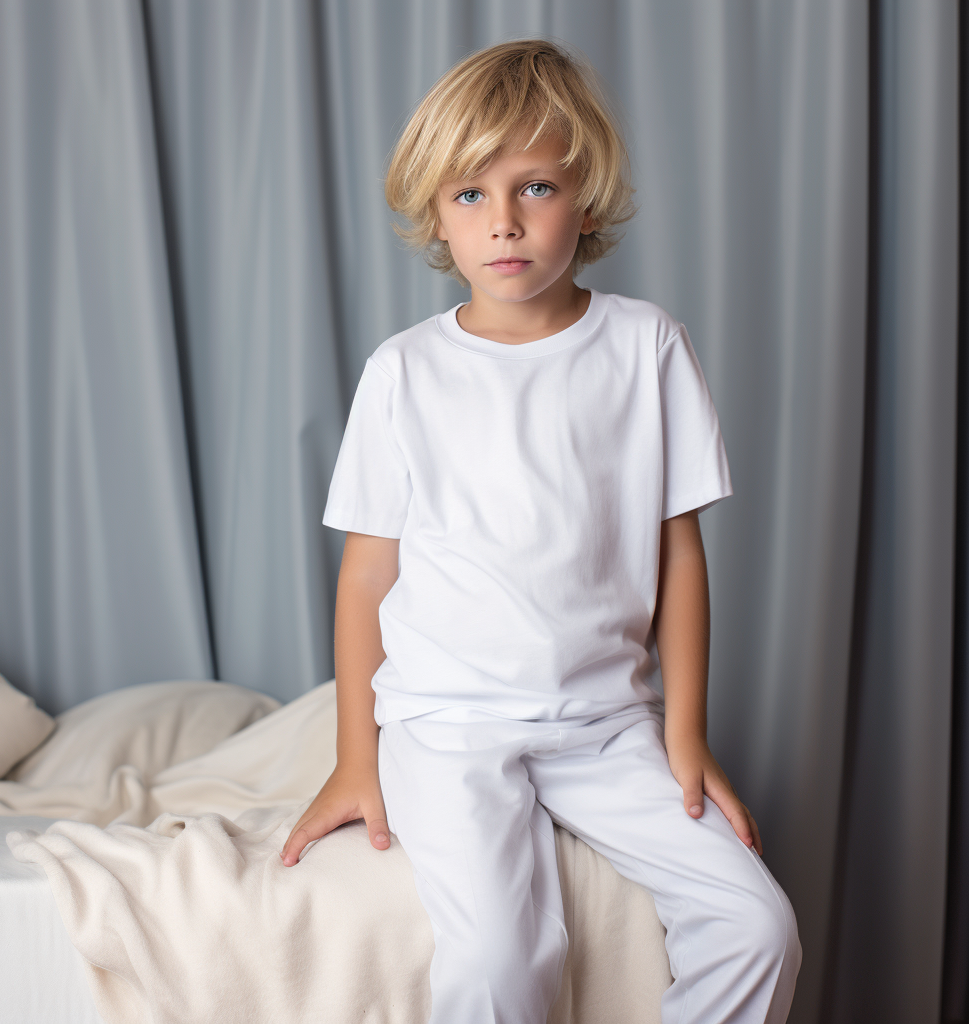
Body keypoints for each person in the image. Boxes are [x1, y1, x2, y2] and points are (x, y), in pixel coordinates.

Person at [280, 38, 801, 1024]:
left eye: (536, 187)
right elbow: (364, 578)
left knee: (757, 925)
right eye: (469, 194)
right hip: (447, 726)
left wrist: (683, 734)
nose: (503, 221)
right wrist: (357, 758)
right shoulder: (403, 371)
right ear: (436, 214)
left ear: (589, 200)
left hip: (603, 727)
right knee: (497, 961)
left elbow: (676, 555)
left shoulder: (646, 346)